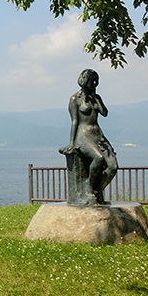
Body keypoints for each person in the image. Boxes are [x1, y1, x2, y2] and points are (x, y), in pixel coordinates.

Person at [59, 69, 118, 204]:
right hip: (83, 135)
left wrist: (98, 101)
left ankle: (97, 189)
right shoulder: (75, 99)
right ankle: (88, 186)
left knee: (113, 166)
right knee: (99, 158)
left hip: (97, 134)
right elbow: (74, 121)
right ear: (85, 81)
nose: (95, 83)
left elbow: (105, 113)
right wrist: (72, 142)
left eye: (97, 80)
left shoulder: (96, 98)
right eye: (93, 80)